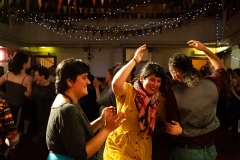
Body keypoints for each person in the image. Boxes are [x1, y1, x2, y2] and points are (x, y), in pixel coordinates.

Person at [46, 58, 126, 160]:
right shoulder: (67, 109)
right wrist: (107, 129)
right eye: (84, 78)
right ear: (70, 81)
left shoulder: (67, 100)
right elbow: (81, 155)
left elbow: (80, 134)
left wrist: (101, 121)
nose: (88, 82)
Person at [165, 40, 227, 160]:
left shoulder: (172, 94)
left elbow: (172, 130)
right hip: (210, 150)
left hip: (187, 151)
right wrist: (204, 49)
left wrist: (182, 132)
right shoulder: (212, 84)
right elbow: (221, 67)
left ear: (176, 73)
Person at [104, 44, 166, 160]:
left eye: (158, 81)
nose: (155, 84)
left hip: (143, 149)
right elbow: (116, 83)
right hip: (119, 149)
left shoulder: (159, 101)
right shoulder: (129, 91)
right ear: (142, 78)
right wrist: (134, 60)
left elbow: (165, 120)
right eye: (152, 79)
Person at [0, 52, 32, 129]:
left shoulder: (7, 75)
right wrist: (24, 92)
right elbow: (29, 95)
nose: (29, 64)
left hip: (5, 105)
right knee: (14, 128)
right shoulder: (27, 78)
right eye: (28, 62)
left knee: (4, 128)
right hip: (17, 107)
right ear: (24, 64)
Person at [32, 66, 56, 150]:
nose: (34, 77)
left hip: (49, 114)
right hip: (37, 112)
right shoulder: (35, 85)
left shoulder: (53, 87)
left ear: (42, 76)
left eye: (36, 75)